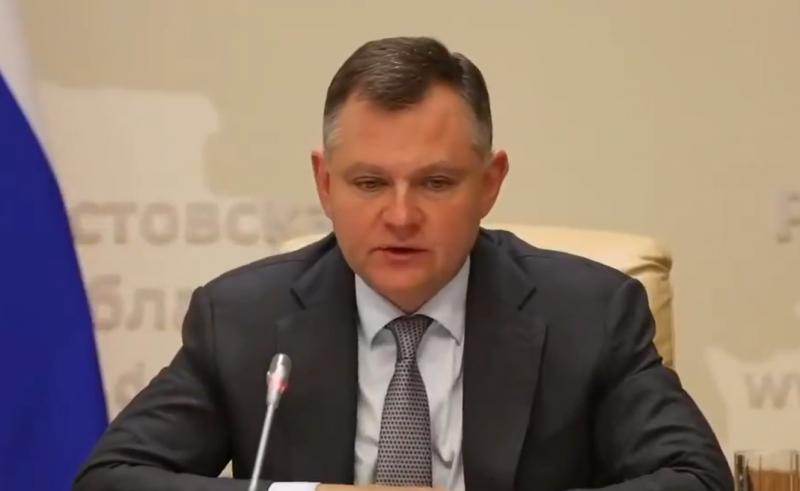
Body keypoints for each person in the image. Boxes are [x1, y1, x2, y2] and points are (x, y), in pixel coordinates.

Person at [74, 36, 733, 491]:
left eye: (436, 183)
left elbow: (696, 477)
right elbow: (111, 478)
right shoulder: (243, 318)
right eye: (368, 183)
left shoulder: (588, 313)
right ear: (324, 184)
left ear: (490, 183)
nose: (400, 215)